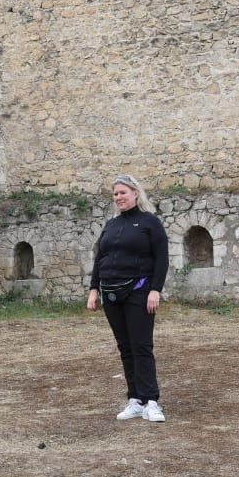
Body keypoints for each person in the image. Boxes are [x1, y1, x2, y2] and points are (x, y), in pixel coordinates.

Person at [86, 174, 169, 422]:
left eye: (123, 192)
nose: (119, 197)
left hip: (139, 291)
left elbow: (162, 258)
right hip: (111, 294)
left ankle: (151, 401)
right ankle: (134, 399)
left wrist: (155, 290)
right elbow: (99, 259)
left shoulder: (149, 223)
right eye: (115, 194)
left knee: (141, 346)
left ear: (135, 193)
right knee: (125, 348)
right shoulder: (111, 226)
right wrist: (93, 290)